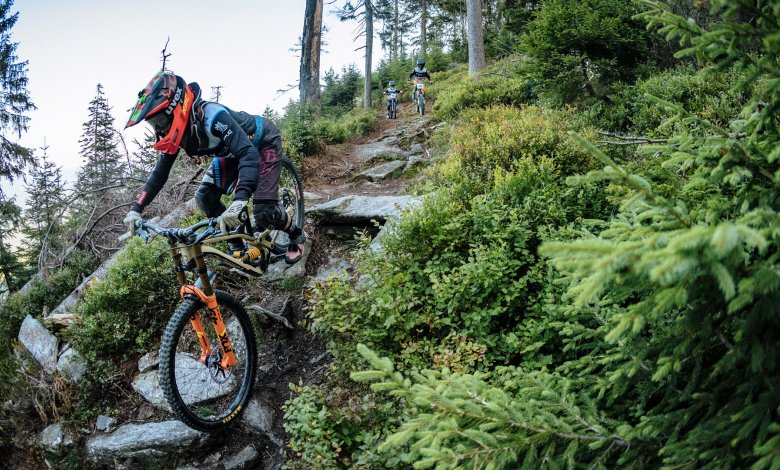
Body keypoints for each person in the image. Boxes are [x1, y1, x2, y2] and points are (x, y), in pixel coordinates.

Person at [122, 70, 306, 264]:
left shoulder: (212, 116)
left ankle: (296, 234)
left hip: (261, 142)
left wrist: (240, 199)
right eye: (153, 124)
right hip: (233, 153)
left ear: (177, 106)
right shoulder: (178, 133)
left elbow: (248, 154)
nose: (159, 129)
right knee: (204, 197)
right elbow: (159, 174)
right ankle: (237, 244)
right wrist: (136, 209)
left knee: (264, 211)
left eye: (159, 120)